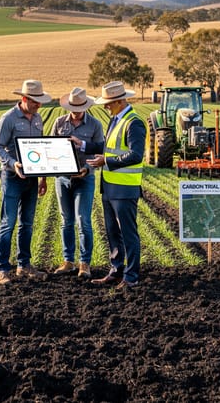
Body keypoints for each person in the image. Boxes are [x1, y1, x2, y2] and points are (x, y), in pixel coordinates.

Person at [85, 81, 146, 289]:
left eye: (109, 103)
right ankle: (116, 270)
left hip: (125, 188)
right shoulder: (115, 120)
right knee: (112, 232)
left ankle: (131, 277)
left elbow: (136, 155)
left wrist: (107, 161)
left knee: (128, 233)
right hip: (110, 187)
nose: (105, 106)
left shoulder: (133, 122)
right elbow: (107, 145)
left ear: (120, 101)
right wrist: (83, 145)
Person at [0, 80, 52, 285]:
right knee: (8, 223)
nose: (38, 105)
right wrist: (13, 164)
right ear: (24, 99)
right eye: (35, 101)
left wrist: (43, 178)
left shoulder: (38, 119)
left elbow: (41, 148)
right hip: (12, 177)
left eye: (40, 102)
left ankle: (24, 265)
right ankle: (1, 268)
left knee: (27, 223)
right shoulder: (8, 119)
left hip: (32, 179)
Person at [50, 87, 104, 279]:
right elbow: (50, 148)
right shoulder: (59, 123)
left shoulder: (95, 125)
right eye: (73, 106)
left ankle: (85, 263)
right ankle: (68, 261)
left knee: (84, 221)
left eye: (80, 106)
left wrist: (87, 170)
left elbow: (99, 152)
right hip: (62, 178)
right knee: (66, 221)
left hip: (85, 178)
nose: (76, 110)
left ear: (86, 106)